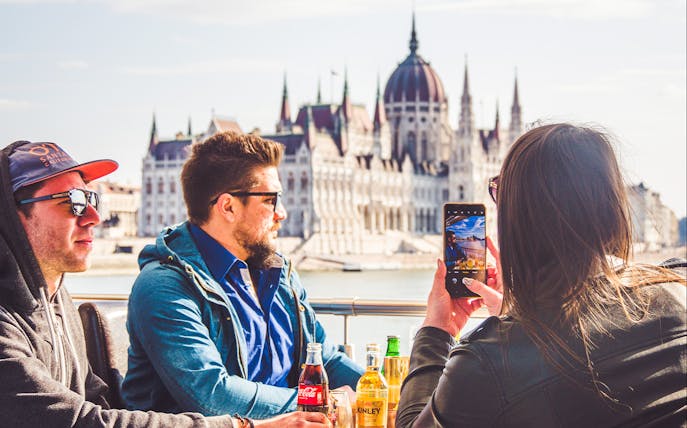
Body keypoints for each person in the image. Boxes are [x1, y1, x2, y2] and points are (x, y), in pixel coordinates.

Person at [0, 140, 333, 427]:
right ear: (13, 216)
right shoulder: (7, 324)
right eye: (72, 202)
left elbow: (96, 401)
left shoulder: (57, 303)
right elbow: (77, 421)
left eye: (92, 200)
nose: (94, 217)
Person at [397, 124, 687, 427]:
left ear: (516, 218)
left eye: (498, 192)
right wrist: (518, 314)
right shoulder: (679, 289)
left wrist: (436, 331)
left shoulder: (485, 363)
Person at [122, 131, 363, 419]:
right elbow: (212, 396)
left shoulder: (278, 273)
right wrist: (323, 403)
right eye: (271, 200)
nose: (282, 213)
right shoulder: (164, 286)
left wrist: (385, 390)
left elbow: (322, 358)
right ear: (229, 207)